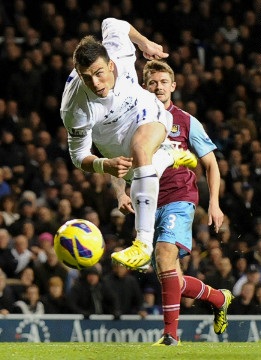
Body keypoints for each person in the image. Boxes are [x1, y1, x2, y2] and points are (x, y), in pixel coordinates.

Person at [112, 60, 233, 346]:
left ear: (173, 86)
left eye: (163, 82)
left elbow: (211, 164)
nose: (158, 87)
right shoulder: (134, 121)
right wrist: (120, 192)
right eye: (153, 82)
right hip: (147, 205)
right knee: (171, 279)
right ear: (145, 86)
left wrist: (214, 203)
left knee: (166, 255)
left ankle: (170, 337)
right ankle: (219, 297)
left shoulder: (187, 121)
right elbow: (115, 160)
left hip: (180, 198)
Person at [60, 17, 197, 270]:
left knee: (140, 149)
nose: (96, 83)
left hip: (145, 112)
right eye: (87, 77)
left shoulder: (119, 51)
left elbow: (113, 23)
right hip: (111, 140)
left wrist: (146, 44)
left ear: (111, 64)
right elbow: (78, 157)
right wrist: (104, 165)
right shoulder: (74, 108)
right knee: (139, 170)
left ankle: (143, 243)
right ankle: (167, 155)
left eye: (100, 73)